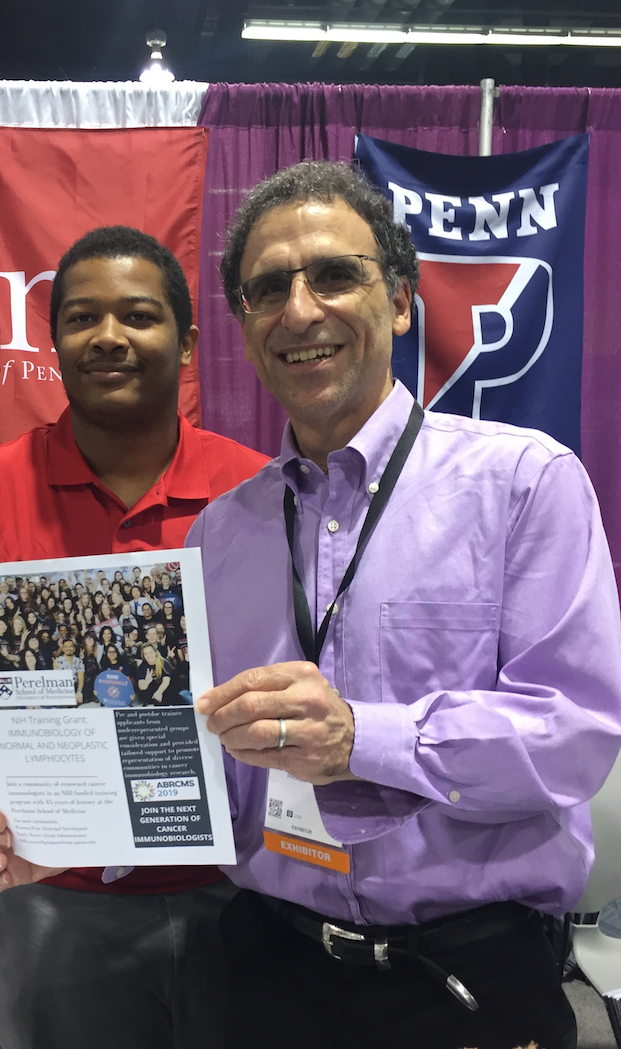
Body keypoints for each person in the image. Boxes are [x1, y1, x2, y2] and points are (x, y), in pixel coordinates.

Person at [186, 162, 621, 1049]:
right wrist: (69, 826)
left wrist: (361, 739)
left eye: (335, 274)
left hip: (469, 978)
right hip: (269, 971)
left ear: (401, 301)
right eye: (268, 288)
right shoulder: (221, 534)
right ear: (244, 324)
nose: (300, 310)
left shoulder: (525, 483)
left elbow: (573, 736)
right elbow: (213, 779)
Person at [0, 224, 267, 1049]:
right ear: (53, 341)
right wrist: (49, 744)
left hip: (244, 886)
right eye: (81, 318)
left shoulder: (259, 493)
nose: (108, 336)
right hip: (51, 891)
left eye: (138, 316)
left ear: (186, 343)